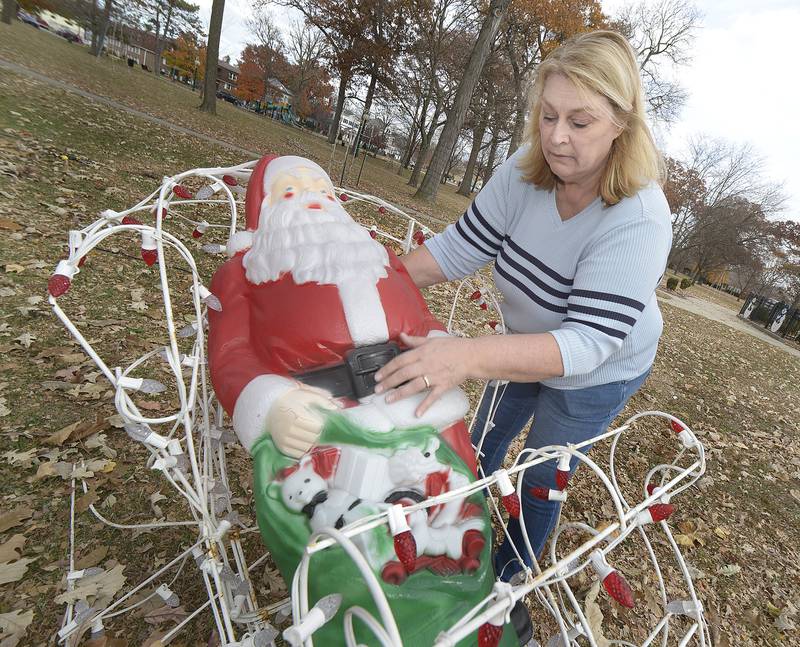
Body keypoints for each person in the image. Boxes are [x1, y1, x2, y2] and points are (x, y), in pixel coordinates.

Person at [374, 30, 672, 581]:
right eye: (548, 116)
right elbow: (458, 249)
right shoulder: (523, 170)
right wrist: (377, 280)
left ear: (622, 125)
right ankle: (449, 535)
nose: (557, 138)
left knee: (539, 475)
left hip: (595, 371)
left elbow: (584, 344)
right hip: (520, 345)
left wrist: (465, 357)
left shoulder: (639, 217)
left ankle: (506, 580)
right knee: (478, 443)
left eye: (580, 122)